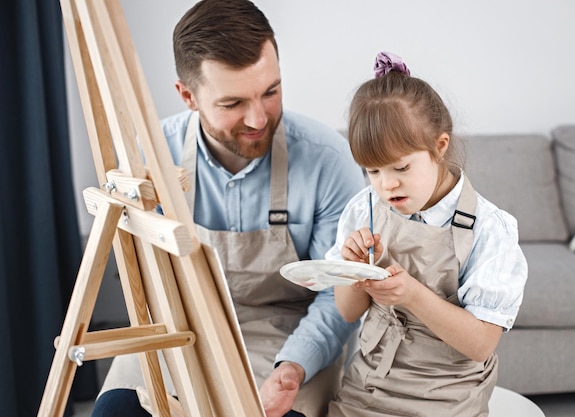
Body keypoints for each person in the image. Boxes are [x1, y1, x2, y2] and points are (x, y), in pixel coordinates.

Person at [91, 1, 365, 417]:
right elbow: (139, 277)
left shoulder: (328, 160)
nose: (258, 118)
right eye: (233, 103)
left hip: (290, 338)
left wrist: (292, 368)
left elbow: (337, 293)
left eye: (271, 92)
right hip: (178, 331)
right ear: (187, 96)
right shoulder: (149, 157)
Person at [324, 52, 528, 417]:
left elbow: (481, 344)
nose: (386, 184)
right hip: (369, 387)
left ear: (440, 146)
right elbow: (347, 311)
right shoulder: (364, 207)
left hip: (447, 399)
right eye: (372, 170)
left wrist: (412, 295)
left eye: (401, 167)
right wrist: (352, 269)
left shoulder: (489, 229)